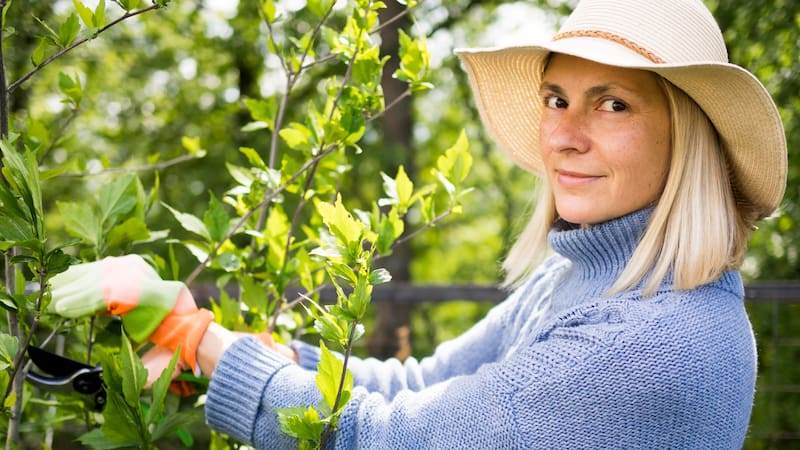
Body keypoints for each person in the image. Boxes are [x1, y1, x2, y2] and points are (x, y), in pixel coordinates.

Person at [47, 0, 787, 448]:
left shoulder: (652, 343)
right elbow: (425, 383)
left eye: (613, 103)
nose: (563, 133)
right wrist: (229, 348)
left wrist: (197, 342)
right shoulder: (588, 281)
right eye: (557, 98)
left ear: (686, 135)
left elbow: (390, 440)